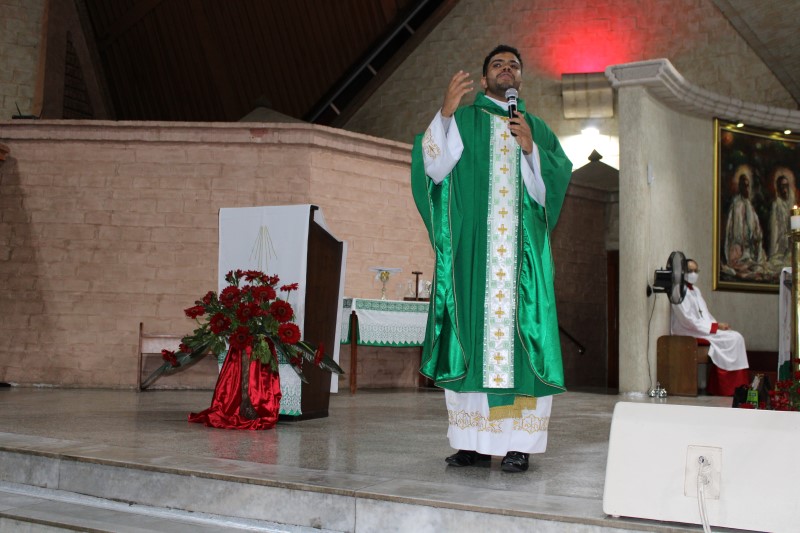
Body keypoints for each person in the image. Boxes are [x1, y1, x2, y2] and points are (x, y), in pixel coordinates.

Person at [410, 45, 572, 473]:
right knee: (472, 341)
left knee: (523, 346)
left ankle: (519, 445)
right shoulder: (464, 120)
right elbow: (433, 169)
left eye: (513, 65)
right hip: (475, 260)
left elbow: (554, 182)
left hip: (522, 262)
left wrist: (532, 150)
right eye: (498, 65)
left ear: (520, 79)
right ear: (484, 80)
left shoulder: (534, 126)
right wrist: (445, 114)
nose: (506, 70)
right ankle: (473, 443)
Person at [671, 258, 750, 395]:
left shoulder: (696, 290)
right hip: (688, 331)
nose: (693, 274)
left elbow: (705, 314)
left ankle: (734, 386)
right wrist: (714, 327)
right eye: (690, 271)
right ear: (682, 271)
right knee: (734, 339)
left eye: (696, 271)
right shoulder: (678, 291)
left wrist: (717, 326)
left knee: (735, 336)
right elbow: (687, 320)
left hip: (701, 329)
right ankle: (728, 388)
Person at [724, 164, 765, 274]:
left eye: (748, 186)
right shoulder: (736, 205)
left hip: (749, 250)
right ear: (740, 187)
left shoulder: (750, 206)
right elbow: (731, 230)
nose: (746, 188)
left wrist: (756, 236)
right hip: (737, 249)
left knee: (757, 267)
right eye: (744, 186)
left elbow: (756, 228)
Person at [767, 169, 795, 269]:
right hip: (780, 248)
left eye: (786, 186)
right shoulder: (776, 205)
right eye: (782, 186)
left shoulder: (791, 204)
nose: (784, 189)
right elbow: (774, 231)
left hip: (790, 246)